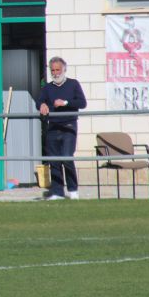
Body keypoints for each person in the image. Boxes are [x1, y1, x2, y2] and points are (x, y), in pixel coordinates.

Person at [36, 56, 86, 200]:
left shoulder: (73, 84)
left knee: (66, 157)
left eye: (58, 69)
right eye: (53, 70)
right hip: (52, 126)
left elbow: (82, 103)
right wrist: (42, 105)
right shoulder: (47, 87)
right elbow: (39, 101)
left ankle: (73, 190)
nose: (56, 73)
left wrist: (65, 103)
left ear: (64, 69)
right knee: (54, 160)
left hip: (69, 125)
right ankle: (57, 192)